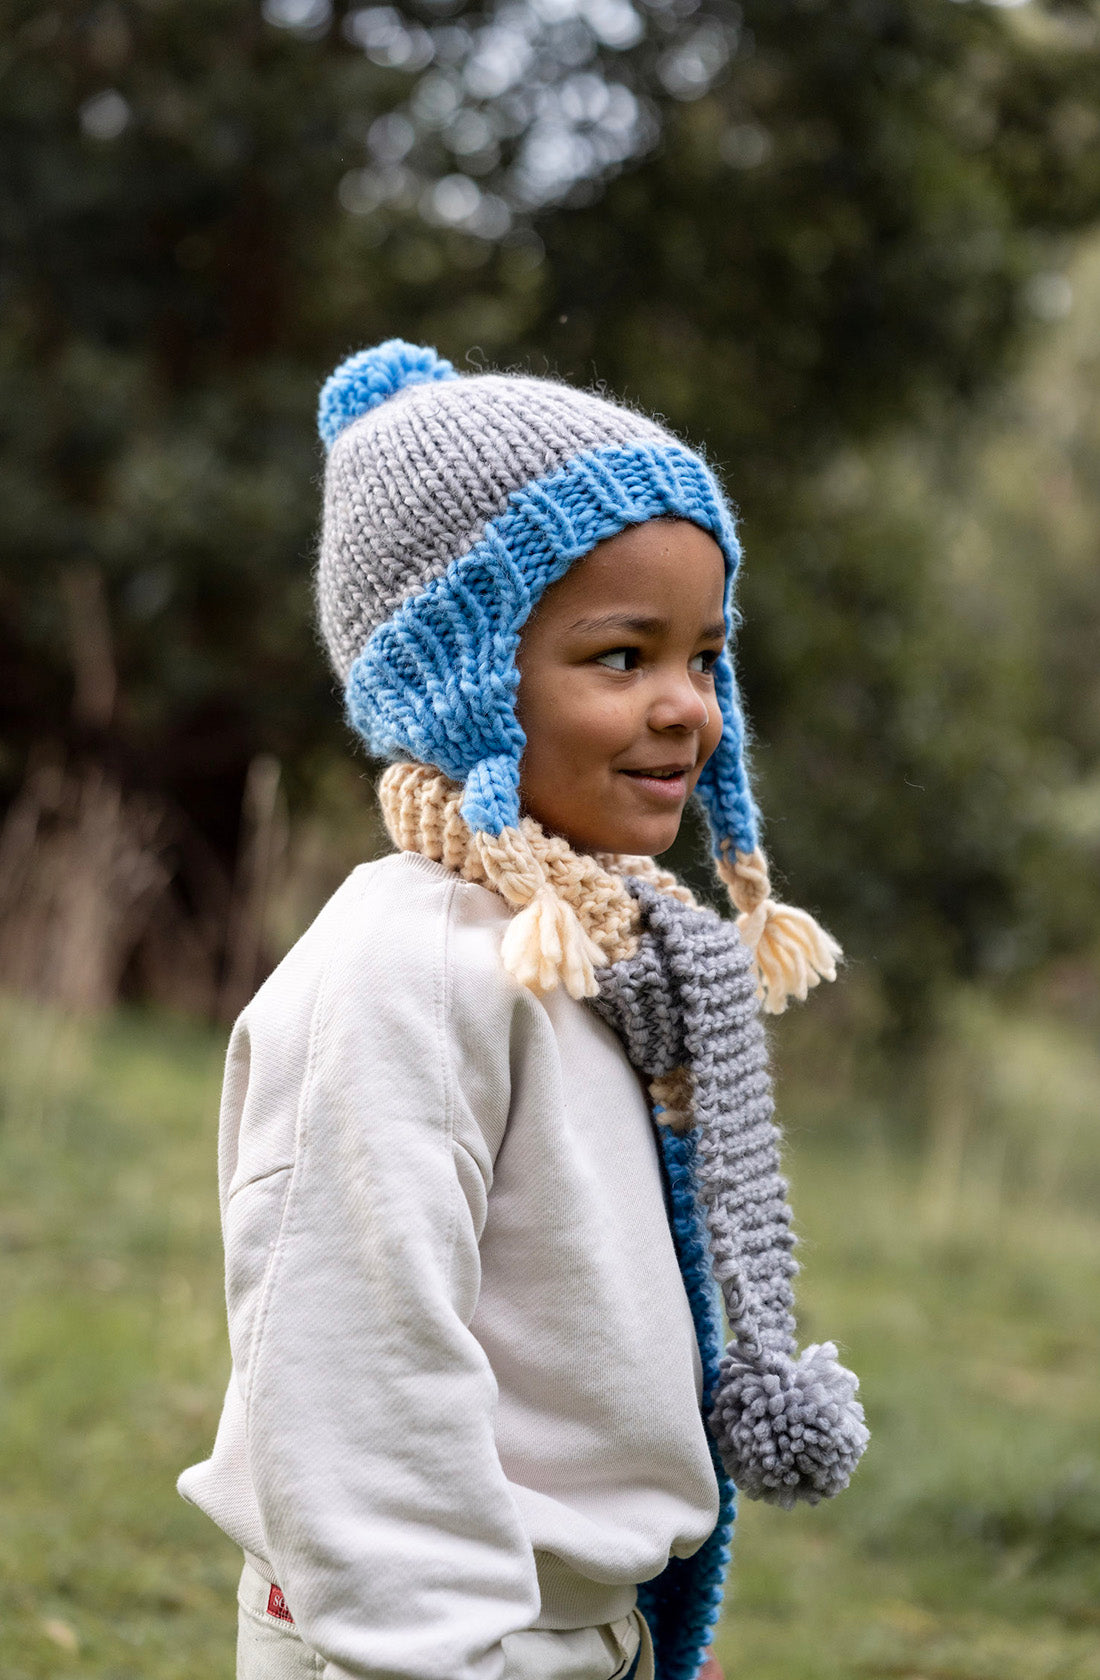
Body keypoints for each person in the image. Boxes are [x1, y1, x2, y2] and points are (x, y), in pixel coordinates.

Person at [178, 341, 870, 1680]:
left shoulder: (610, 951)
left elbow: (578, 1348)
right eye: (621, 658)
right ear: (464, 683)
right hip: (425, 1642)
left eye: (705, 656)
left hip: (575, 1630)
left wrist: (636, 1621)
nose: (690, 710)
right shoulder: (413, 974)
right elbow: (356, 1387)